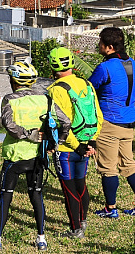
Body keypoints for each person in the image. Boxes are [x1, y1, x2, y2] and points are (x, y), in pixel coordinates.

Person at [0, 60, 70, 252]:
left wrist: (28, 134)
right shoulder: (46, 99)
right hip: (37, 157)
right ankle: (41, 238)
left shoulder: (10, 99)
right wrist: (54, 143)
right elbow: (65, 122)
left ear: (14, 81)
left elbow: (9, 126)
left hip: (15, 156)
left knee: (5, 195)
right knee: (36, 195)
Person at [89, 27, 135, 219]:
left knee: (108, 167)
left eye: (100, 43)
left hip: (110, 122)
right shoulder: (133, 63)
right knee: (129, 164)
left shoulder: (105, 67)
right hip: (129, 120)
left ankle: (110, 208)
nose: (98, 46)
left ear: (109, 47)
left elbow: (90, 87)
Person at [46, 47, 103, 240]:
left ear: (53, 66)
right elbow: (98, 115)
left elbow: (59, 122)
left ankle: (76, 229)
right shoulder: (87, 84)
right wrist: (91, 142)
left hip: (66, 148)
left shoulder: (55, 90)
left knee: (69, 189)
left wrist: (75, 145)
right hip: (87, 144)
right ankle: (83, 220)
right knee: (81, 184)